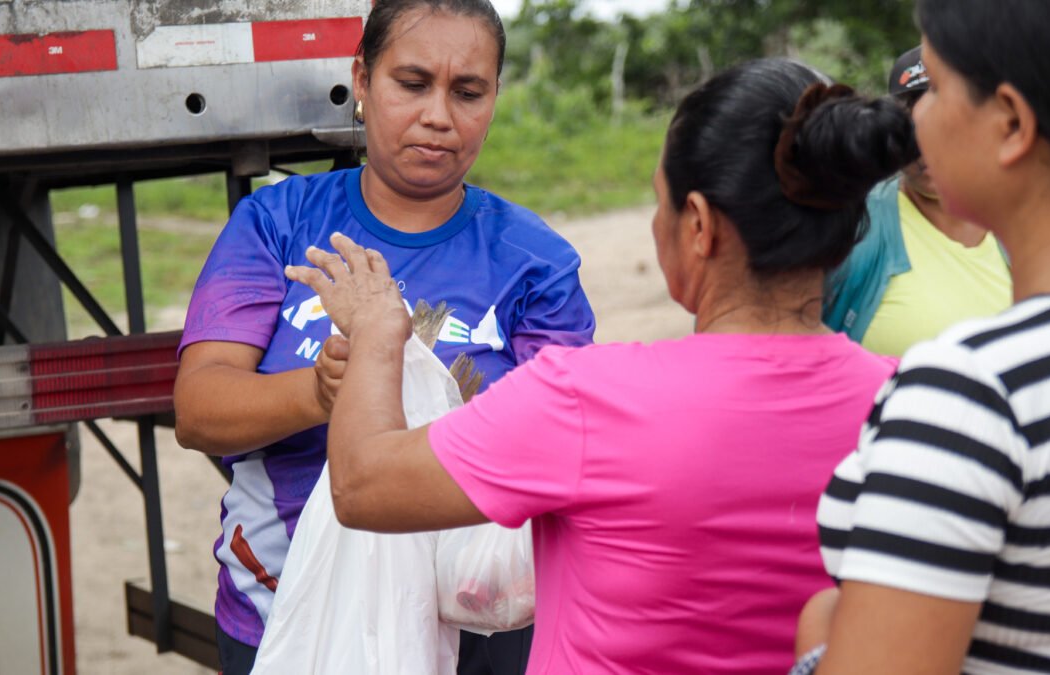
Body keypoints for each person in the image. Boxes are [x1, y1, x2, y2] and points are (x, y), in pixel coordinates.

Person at [284, 58, 918, 673]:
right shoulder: (910, 403)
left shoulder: (588, 398)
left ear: (698, 225)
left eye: (660, 202)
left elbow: (364, 487)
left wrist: (374, 332)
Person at [172, 1, 595, 673]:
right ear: (362, 81)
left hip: (474, 628)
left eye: (467, 91)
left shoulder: (535, 261)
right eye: (412, 81)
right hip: (280, 617)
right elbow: (198, 412)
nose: (438, 115)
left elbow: (567, 452)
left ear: (493, 98)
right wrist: (324, 389)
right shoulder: (277, 225)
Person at [793, 1, 1050, 673]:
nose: (913, 123)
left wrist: (817, 645)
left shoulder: (973, 394)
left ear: (1011, 123)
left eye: (939, 87)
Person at [823, 45, 1012, 356]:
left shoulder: (1019, 229)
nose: (926, 150)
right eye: (910, 133)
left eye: (945, 128)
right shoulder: (857, 228)